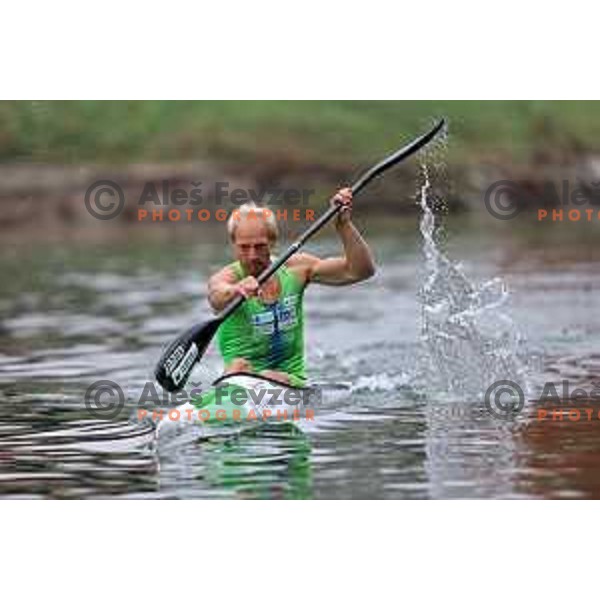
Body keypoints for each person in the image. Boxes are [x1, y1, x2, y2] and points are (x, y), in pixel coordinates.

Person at [207, 188, 376, 386]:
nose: (252, 255)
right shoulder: (227, 278)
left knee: (269, 375)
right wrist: (236, 290)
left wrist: (344, 225)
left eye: (260, 246)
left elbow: (360, 270)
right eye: (244, 247)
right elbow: (216, 296)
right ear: (233, 244)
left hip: (290, 381)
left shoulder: (297, 269)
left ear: (273, 242)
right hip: (236, 377)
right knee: (239, 365)